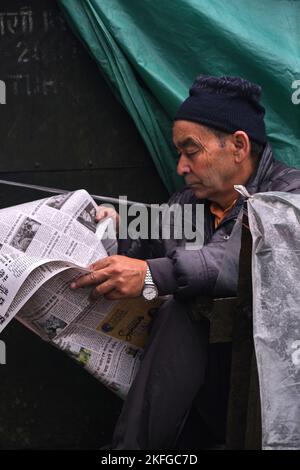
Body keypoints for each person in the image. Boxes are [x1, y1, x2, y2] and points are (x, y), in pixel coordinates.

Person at [70, 76, 300, 449]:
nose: (181, 167)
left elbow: (238, 257)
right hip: (199, 400)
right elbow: (145, 248)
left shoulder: (288, 198)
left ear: (238, 146)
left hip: (261, 391)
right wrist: (109, 229)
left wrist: (152, 274)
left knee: (185, 311)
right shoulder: (186, 204)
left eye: (191, 151)